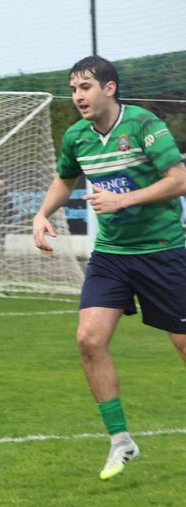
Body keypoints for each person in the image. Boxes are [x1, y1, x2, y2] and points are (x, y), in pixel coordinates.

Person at [32, 55, 186, 481]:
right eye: (73, 89)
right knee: (89, 338)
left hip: (162, 250)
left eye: (85, 87)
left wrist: (123, 200)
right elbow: (65, 179)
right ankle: (121, 440)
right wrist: (42, 214)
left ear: (110, 88)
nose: (77, 96)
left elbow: (179, 179)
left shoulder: (143, 125)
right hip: (112, 255)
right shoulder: (77, 136)